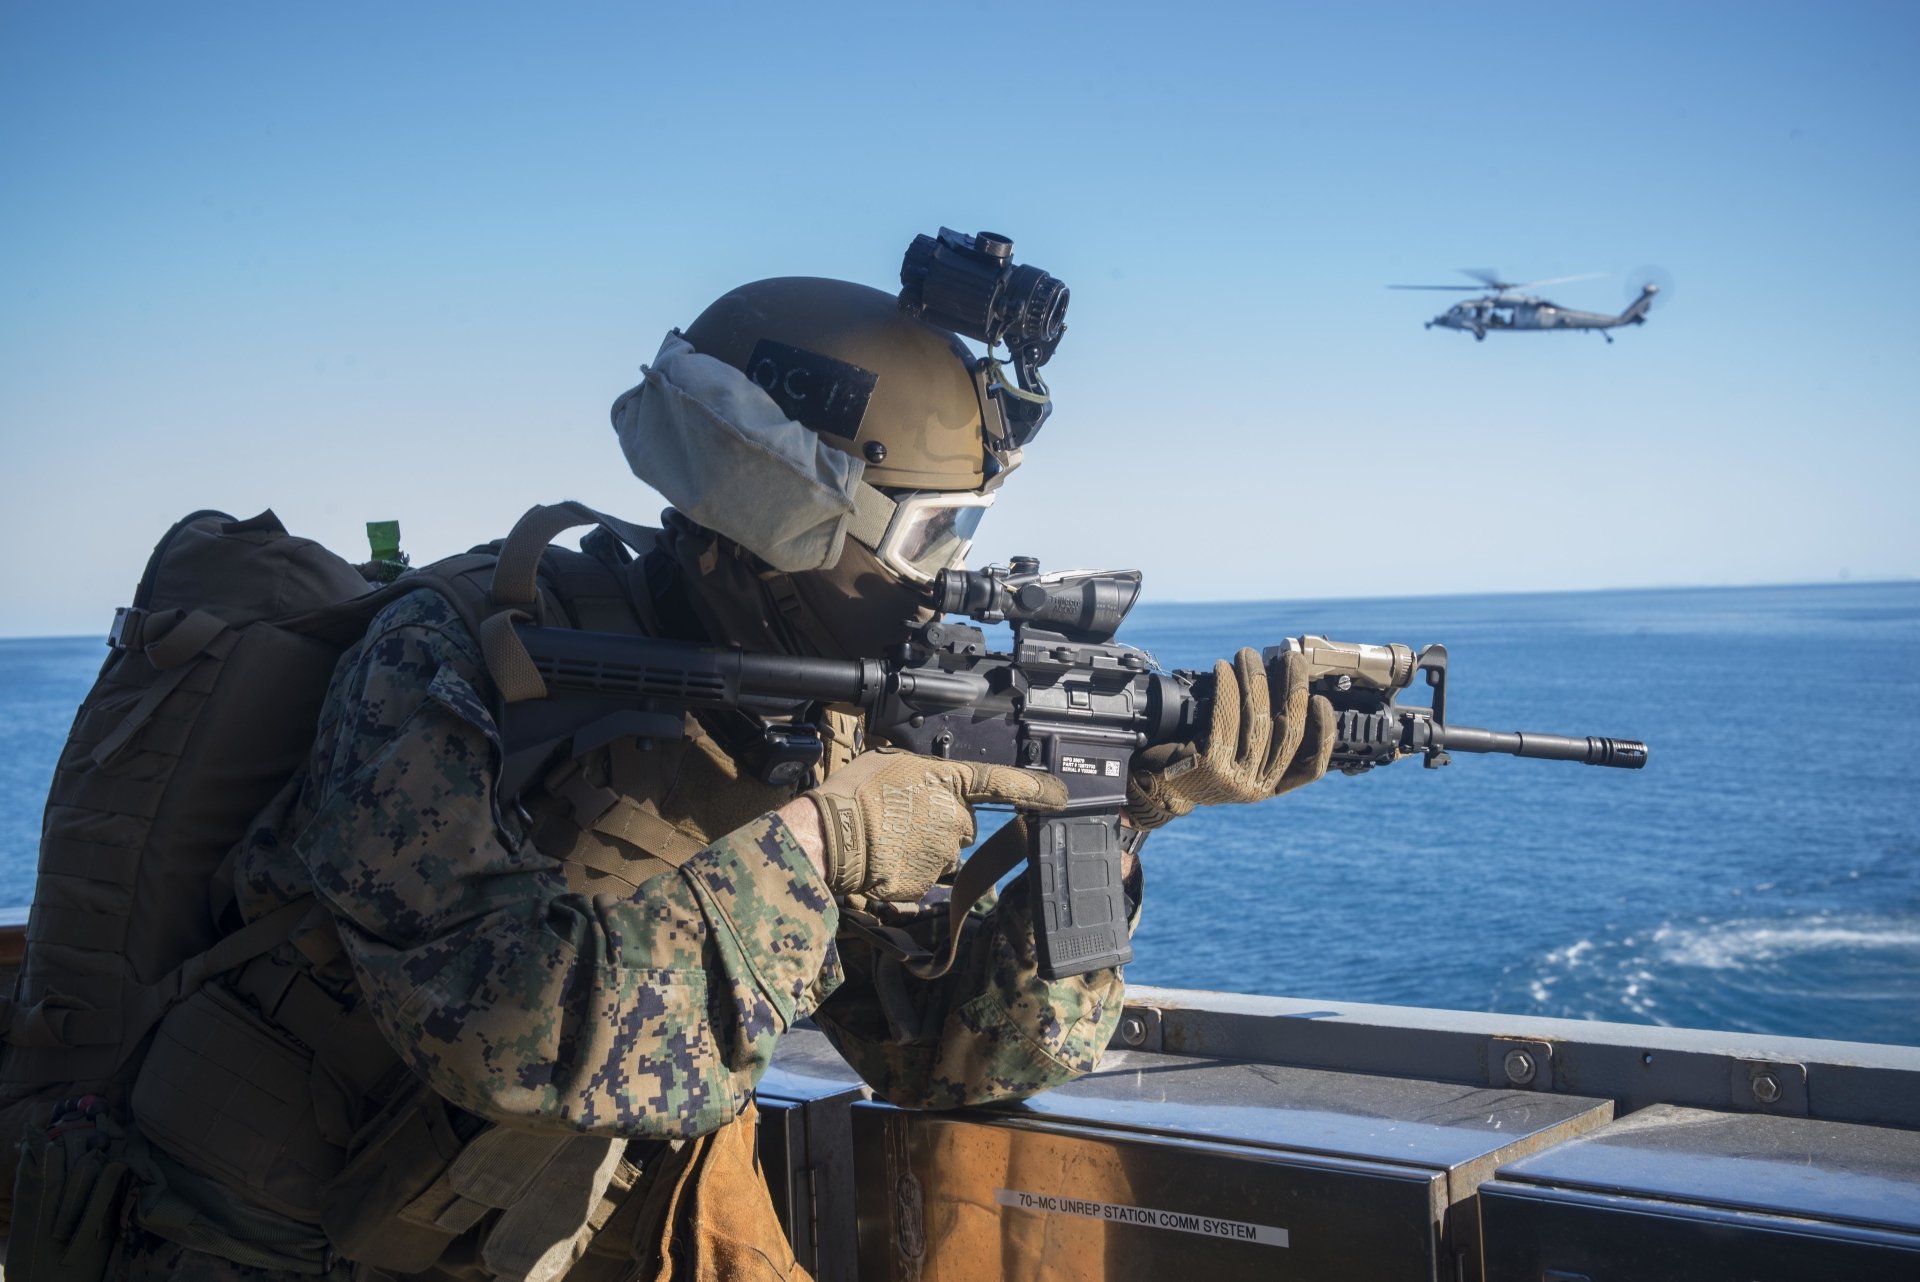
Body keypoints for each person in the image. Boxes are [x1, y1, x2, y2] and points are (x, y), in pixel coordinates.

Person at [102, 252, 1335, 1282]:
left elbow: (944, 1058)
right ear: (779, 509)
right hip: (281, 1239)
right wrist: (819, 846)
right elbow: (500, 1029)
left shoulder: (833, 716)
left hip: (536, 1228)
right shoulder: (456, 656)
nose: (944, 572)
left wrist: (1129, 814)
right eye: (927, 529)